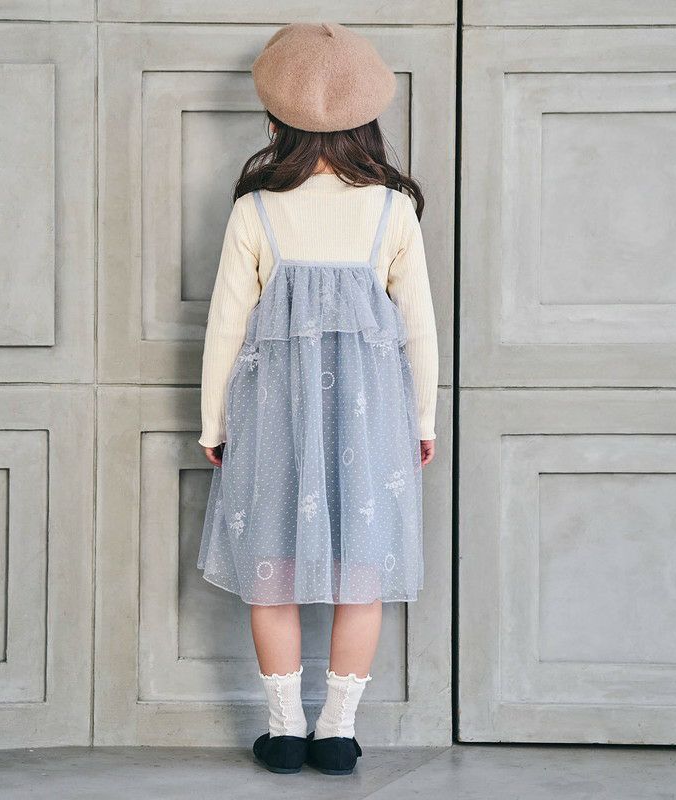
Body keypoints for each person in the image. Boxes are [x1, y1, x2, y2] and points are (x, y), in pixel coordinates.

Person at [196, 21, 439, 775]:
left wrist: (213, 423)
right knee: (361, 573)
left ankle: (283, 732)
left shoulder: (256, 208)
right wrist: (422, 421)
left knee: (270, 572)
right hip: (373, 420)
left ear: (276, 123)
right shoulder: (392, 208)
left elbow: (225, 326)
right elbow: (419, 328)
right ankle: (336, 733)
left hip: (272, 417)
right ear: (367, 123)